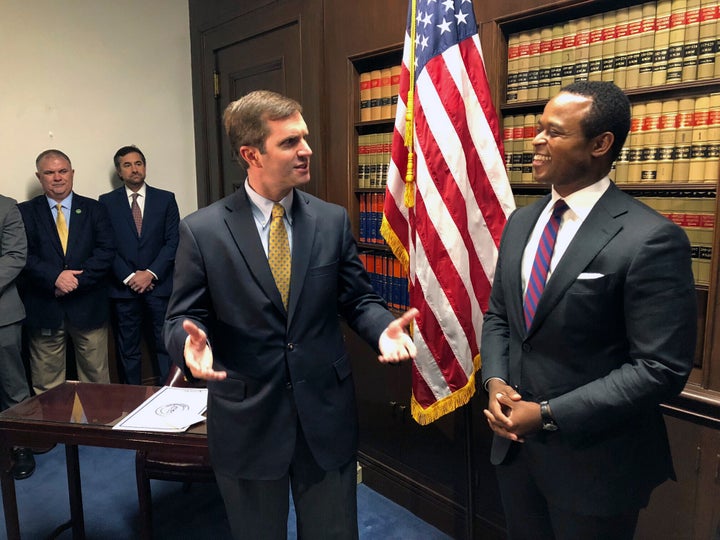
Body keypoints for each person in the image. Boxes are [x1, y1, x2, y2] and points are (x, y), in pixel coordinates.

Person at [164, 90, 418, 540]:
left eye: (304, 138)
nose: (306, 151)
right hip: (248, 419)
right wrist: (189, 345)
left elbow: (358, 300)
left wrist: (381, 331)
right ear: (251, 154)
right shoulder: (202, 230)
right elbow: (182, 315)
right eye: (289, 142)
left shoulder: (331, 220)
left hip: (325, 414)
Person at [481, 80, 696, 540]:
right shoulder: (521, 221)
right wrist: (495, 382)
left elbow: (660, 367)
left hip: (596, 466)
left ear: (600, 144)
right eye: (538, 129)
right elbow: (500, 316)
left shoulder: (651, 238)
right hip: (516, 454)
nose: (536, 140)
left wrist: (545, 413)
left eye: (554, 132)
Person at [18, 149, 115, 394]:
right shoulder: (24, 212)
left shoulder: (95, 209)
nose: (57, 177)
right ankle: (55, 433)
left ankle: (97, 431)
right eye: (49, 172)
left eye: (62, 171)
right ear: (39, 177)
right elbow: (23, 256)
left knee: (97, 380)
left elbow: (106, 252)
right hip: (45, 308)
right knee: (47, 384)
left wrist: (73, 282)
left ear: (72, 174)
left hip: (88, 307)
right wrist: (55, 279)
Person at [100, 146, 179, 385]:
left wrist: (151, 273)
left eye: (138, 163)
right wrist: (129, 277)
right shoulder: (106, 202)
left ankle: (170, 394)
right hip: (125, 288)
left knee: (165, 344)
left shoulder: (166, 198)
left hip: (160, 285)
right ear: (119, 171)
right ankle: (131, 399)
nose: (134, 169)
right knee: (128, 347)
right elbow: (106, 245)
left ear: (144, 166)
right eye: (127, 165)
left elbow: (173, 241)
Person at [0, 194, 35, 479]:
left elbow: (15, 256)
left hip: (2, 314)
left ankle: (21, 446)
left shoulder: (6, 206)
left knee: (14, 385)